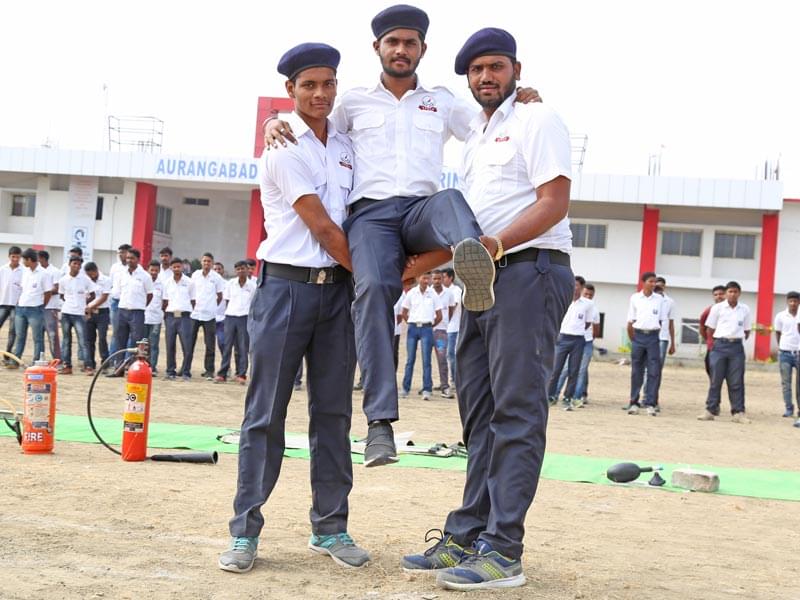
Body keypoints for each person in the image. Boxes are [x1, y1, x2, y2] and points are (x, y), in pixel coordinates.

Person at [264, 5, 542, 467]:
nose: (400, 50)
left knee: (452, 198)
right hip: (371, 217)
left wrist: (522, 98)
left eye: (410, 43)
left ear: (422, 50)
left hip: (420, 210)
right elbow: (312, 123)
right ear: (378, 48)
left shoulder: (444, 101)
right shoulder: (351, 100)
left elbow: (491, 123)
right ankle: (379, 425)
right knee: (373, 288)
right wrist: (274, 120)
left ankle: (474, 265)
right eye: (392, 42)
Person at [402, 28, 573, 591]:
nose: (485, 78)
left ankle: (504, 551)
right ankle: (469, 533)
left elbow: (554, 203)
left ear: (515, 69)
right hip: (480, 282)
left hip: (529, 272)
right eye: (475, 71)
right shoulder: (475, 133)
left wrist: (494, 247)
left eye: (495, 67)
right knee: (477, 414)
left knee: (517, 414)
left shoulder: (537, 120)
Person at [218, 43, 368, 574]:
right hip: (286, 290)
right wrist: (380, 280)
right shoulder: (282, 147)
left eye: (329, 83)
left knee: (333, 414)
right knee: (265, 414)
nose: (321, 94)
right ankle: (244, 533)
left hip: (337, 295)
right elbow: (324, 229)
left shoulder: (349, 145)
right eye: (309, 85)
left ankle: (331, 528)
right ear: (291, 91)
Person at [698, 281, 752, 423]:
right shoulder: (717, 308)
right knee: (716, 380)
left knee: (736, 381)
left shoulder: (744, 309)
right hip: (719, 346)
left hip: (736, 348)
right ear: (726, 293)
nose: (732, 294)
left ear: (739, 293)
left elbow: (747, 331)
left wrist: (735, 339)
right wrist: (717, 343)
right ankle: (710, 410)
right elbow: (710, 329)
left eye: (735, 292)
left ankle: (738, 412)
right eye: (730, 292)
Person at [622, 272, 666, 416]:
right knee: (636, 371)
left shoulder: (659, 299)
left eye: (655, 282)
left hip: (653, 337)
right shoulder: (635, 298)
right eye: (651, 281)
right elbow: (630, 321)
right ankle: (634, 402)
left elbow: (660, 320)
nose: (654, 284)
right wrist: (634, 339)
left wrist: (652, 332)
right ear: (644, 282)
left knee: (654, 371)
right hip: (638, 336)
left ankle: (651, 403)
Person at [547, 276, 593, 410]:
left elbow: (587, 323)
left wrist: (577, 331)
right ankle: (550, 396)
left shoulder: (587, 304)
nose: (575, 288)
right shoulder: (563, 298)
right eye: (573, 285)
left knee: (574, 370)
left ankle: (568, 397)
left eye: (577, 285)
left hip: (578, 339)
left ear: (582, 287)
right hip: (562, 338)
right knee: (556, 369)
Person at [109, 248, 152, 376]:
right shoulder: (121, 274)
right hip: (122, 311)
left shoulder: (145, 276)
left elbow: (150, 295)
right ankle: (119, 369)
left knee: (136, 342)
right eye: (127, 258)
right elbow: (117, 293)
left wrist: (140, 306)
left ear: (138, 260)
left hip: (137, 312)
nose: (129, 260)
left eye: (132, 258)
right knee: (119, 340)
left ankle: (134, 369)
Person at [400, 272, 443, 401]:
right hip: (413, 328)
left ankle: (426, 389)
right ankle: (405, 389)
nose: (426, 280)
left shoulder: (433, 294)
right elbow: (404, 312)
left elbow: (439, 315)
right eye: (424, 277)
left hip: (427, 328)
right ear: (418, 278)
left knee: (426, 360)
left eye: (428, 278)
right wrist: (412, 322)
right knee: (410, 360)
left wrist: (429, 325)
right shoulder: (412, 293)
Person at [215, 260, 255, 384]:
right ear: (235, 271)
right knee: (227, 346)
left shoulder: (253, 286)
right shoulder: (230, 283)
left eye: (243, 268)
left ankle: (241, 374)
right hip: (231, 317)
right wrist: (229, 314)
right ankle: (223, 373)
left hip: (244, 317)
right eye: (238, 269)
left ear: (247, 269)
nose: (241, 271)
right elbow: (227, 300)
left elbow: (255, 304)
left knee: (243, 347)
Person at [13, 248, 54, 362]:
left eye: (24, 260)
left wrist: (41, 305)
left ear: (29, 260)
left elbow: (48, 292)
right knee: (20, 336)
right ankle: (16, 360)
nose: (22, 262)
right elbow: (22, 289)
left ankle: (37, 361)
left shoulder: (44, 274)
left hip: (35, 309)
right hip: (21, 308)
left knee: (37, 338)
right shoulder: (25, 272)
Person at [190, 252, 225, 380]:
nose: (206, 263)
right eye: (204, 261)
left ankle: (209, 370)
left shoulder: (216, 278)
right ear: (201, 262)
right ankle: (186, 368)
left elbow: (220, 296)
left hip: (210, 315)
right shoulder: (195, 275)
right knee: (189, 343)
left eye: (209, 261)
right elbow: (191, 293)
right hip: (195, 314)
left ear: (212, 263)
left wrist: (211, 306)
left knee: (210, 344)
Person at [162, 257, 195, 381]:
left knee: (187, 346)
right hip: (170, 316)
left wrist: (186, 311)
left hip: (184, 317)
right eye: (174, 267)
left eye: (178, 266)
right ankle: (170, 371)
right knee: (170, 345)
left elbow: (193, 301)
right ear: (171, 268)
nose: (176, 269)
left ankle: (186, 372)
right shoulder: (167, 282)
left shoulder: (189, 282)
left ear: (182, 267)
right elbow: (165, 301)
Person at [57, 256, 91, 374]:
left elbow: (92, 294)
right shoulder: (63, 280)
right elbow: (61, 295)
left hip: (79, 314)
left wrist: (85, 306)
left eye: (78, 264)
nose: (76, 266)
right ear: (69, 264)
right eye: (74, 263)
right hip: (66, 313)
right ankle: (67, 366)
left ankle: (88, 366)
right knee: (66, 340)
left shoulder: (85, 279)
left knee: (83, 341)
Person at [773, 291, 800, 418]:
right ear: (787, 302)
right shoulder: (780, 316)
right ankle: (789, 408)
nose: (793, 303)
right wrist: (782, 346)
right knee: (786, 383)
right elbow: (778, 332)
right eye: (791, 301)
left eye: (795, 301)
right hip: (785, 353)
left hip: (799, 353)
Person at [83, 262, 112, 375]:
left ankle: (105, 363)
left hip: (102, 313)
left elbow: (104, 297)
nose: (90, 277)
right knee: (89, 339)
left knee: (102, 338)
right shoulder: (86, 281)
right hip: (89, 313)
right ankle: (90, 364)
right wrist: (87, 308)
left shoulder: (106, 280)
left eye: (91, 274)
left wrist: (91, 306)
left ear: (96, 271)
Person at [431, 269, 455, 397]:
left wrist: (444, 322)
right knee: (426, 359)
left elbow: (451, 310)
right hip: (427, 330)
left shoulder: (449, 293)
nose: (436, 281)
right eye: (434, 279)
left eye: (439, 278)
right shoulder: (428, 292)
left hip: (441, 330)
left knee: (442, 359)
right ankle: (426, 386)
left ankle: (445, 386)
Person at [38, 250, 62, 362]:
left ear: (42, 259)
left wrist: (45, 292)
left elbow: (57, 288)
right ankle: (40, 358)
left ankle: (57, 360)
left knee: (52, 336)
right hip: (38, 306)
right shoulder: (37, 271)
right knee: (38, 335)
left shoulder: (55, 271)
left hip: (50, 307)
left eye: (37, 259)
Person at [0, 246, 23, 365]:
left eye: (17, 257)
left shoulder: (24, 271)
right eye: (13, 256)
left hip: (16, 305)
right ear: (9, 256)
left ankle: (7, 355)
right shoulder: (2, 269)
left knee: (12, 332)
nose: (15, 259)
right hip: (2, 303)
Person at [698, 285, 726, 380]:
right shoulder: (709, 311)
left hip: (728, 347)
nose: (718, 296)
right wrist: (709, 340)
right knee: (711, 371)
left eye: (721, 294)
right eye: (716, 295)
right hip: (713, 347)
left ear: (726, 295)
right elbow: (702, 328)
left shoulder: (734, 310)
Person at [108, 243, 131, 356]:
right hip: (116, 302)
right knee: (116, 332)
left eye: (123, 252)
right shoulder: (114, 267)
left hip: (128, 303)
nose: (120, 255)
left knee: (128, 332)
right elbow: (111, 283)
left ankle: (127, 359)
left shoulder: (133, 268)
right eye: (119, 252)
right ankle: (113, 358)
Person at [442, 267, 462, 387]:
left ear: (451, 278)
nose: (443, 279)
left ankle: (454, 380)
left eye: (445, 277)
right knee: (444, 355)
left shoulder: (456, 290)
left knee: (451, 354)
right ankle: (446, 381)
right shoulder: (442, 291)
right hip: (444, 328)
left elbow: (452, 307)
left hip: (453, 328)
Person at [144, 260, 165, 375]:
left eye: (156, 270)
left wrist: (161, 312)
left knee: (154, 343)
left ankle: (152, 367)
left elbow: (165, 301)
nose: (154, 272)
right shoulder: (144, 281)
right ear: (148, 270)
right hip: (144, 316)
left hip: (156, 318)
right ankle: (143, 365)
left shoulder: (162, 285)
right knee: (143, 343)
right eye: (152, 270)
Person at [213, 261, 227, 354]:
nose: (217, 271)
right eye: (215, 269)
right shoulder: (208, 283)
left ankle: (226, 364)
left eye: (219, 269)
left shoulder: (228, 284)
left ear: (223, 271)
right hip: (209, 317)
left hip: (222, 318)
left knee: (222, 342)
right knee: (209, 344)